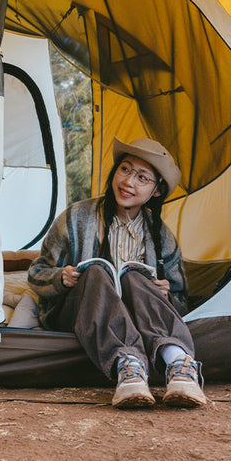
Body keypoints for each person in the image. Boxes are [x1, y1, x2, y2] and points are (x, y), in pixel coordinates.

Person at [27, 137, 207, 408]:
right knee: (97, 271)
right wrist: (60, 278)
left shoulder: (161, 237)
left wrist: (165, 294)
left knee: (136, 277)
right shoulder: (76, 218)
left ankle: (178, 363)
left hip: (140, 317)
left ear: (156, 191)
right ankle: (128, 367)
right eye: (125, 169)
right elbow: (37, 272)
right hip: (82, 312)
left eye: (142, 177)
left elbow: (181, 297)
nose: (129, 182)